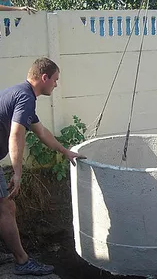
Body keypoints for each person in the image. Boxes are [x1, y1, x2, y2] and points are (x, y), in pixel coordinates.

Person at [0, 57, 85, 275]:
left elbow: (41, 132)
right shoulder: (25, 97)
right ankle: (22, 262)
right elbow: (16, 134)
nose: (56, 85)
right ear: (44, 77)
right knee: (6, 207)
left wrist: (65, 152)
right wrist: (17, 173)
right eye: (55, 80)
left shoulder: (21, 94)